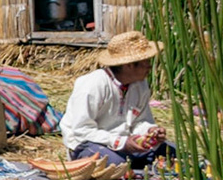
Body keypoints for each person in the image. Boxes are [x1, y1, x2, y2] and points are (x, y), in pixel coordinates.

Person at [62, 31, 170, 171]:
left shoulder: (140, 85)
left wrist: (150, 131)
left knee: (173, 153)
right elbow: (82, 130)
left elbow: (140, 121)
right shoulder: (93, 85)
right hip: (89, 144)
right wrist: (120, 142)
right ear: (129, 65)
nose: (149, 67)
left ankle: (135, 164)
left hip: (127, 145)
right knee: (116, 164)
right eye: (146, 62)